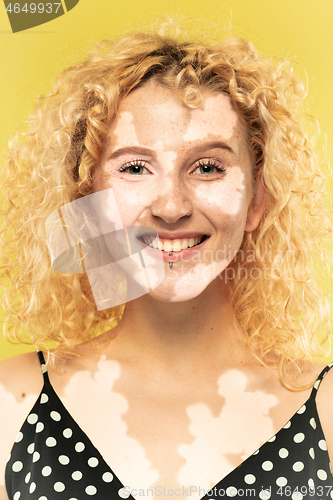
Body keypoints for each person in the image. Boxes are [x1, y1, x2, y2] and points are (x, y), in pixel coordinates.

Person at [0, 25, 333, 500]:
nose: (172, 206)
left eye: (208, 167)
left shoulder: (327, 406)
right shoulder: (11, 403)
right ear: (86, 202)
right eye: (134, 168)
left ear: (258, 199)